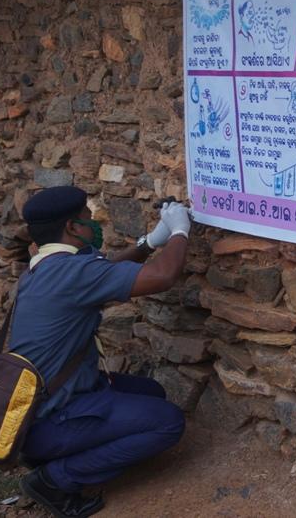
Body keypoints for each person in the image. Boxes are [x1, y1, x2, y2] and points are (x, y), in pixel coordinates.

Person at [11, 186, 192, 518]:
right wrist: (180, 231)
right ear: (72, 227)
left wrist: (151, 242)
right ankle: (55, 479)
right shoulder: (71, 272)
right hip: (50, 418)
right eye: (87, 217)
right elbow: (163, 276)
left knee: (152, 392)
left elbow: (105, 270)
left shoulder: (44, 266)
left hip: (35, 412)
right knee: (166, 423)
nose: (93, 222)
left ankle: (53, 452)